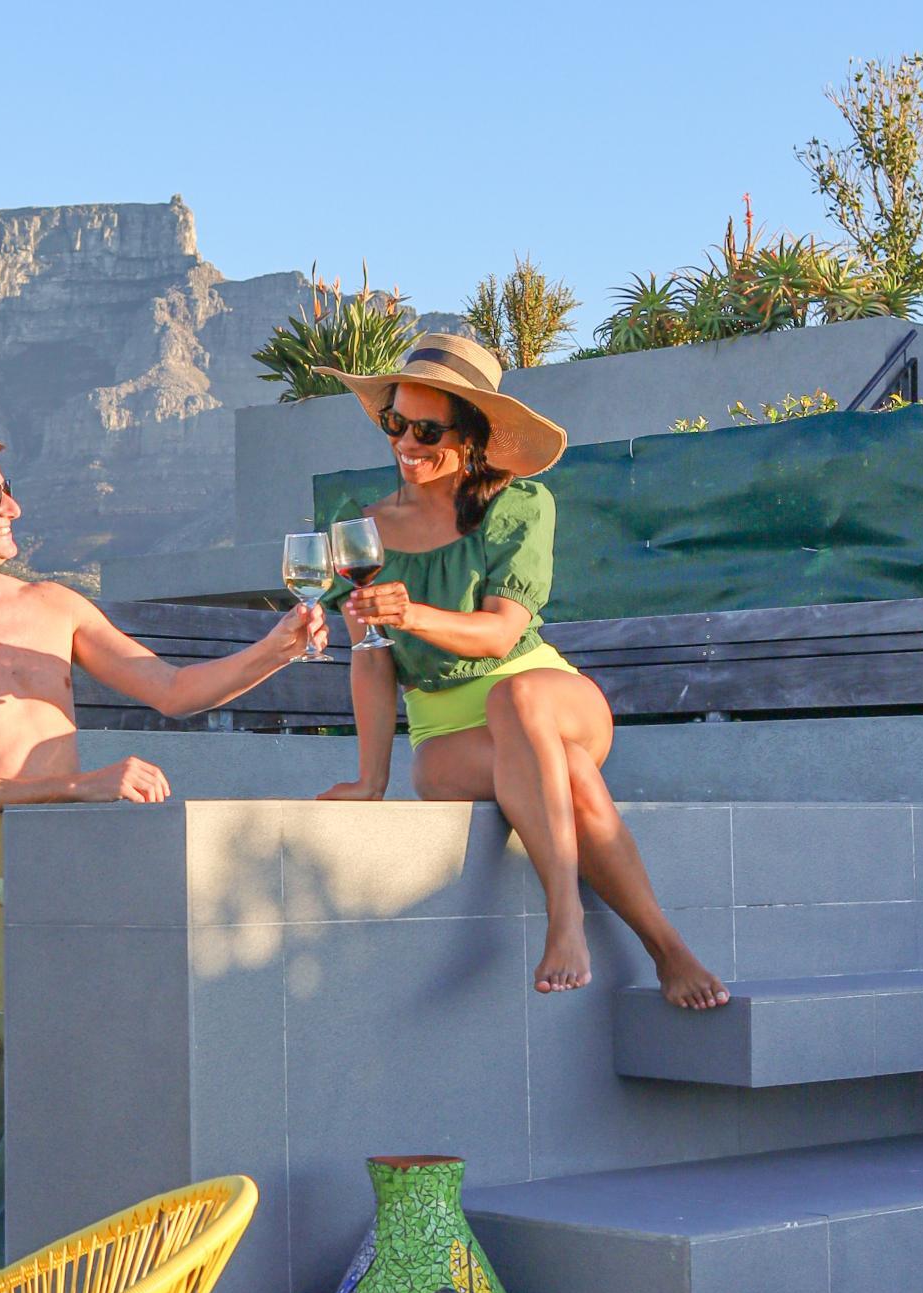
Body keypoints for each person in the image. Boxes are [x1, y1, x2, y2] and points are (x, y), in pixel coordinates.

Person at [0, 428, 326, 1282]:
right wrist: (78, 786)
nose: (14, 509)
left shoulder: (53, 606)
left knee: (6, 1112)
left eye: (7, 491)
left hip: (62, 882)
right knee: (68, 1050)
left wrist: (279, 647)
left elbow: (175, 691)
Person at [311, 335, 729, 1011]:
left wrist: (412, 612)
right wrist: (370, 779)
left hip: (545, 689)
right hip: (445, 733)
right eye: (394, 422)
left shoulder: (517, 506)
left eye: (425, 429)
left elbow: (502, 633)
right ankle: (666, 949)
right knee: (568, 773)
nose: (404, 442)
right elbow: (369, 659)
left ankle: (564, 918)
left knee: (517, 697)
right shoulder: (358, 530)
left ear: (470, 436)